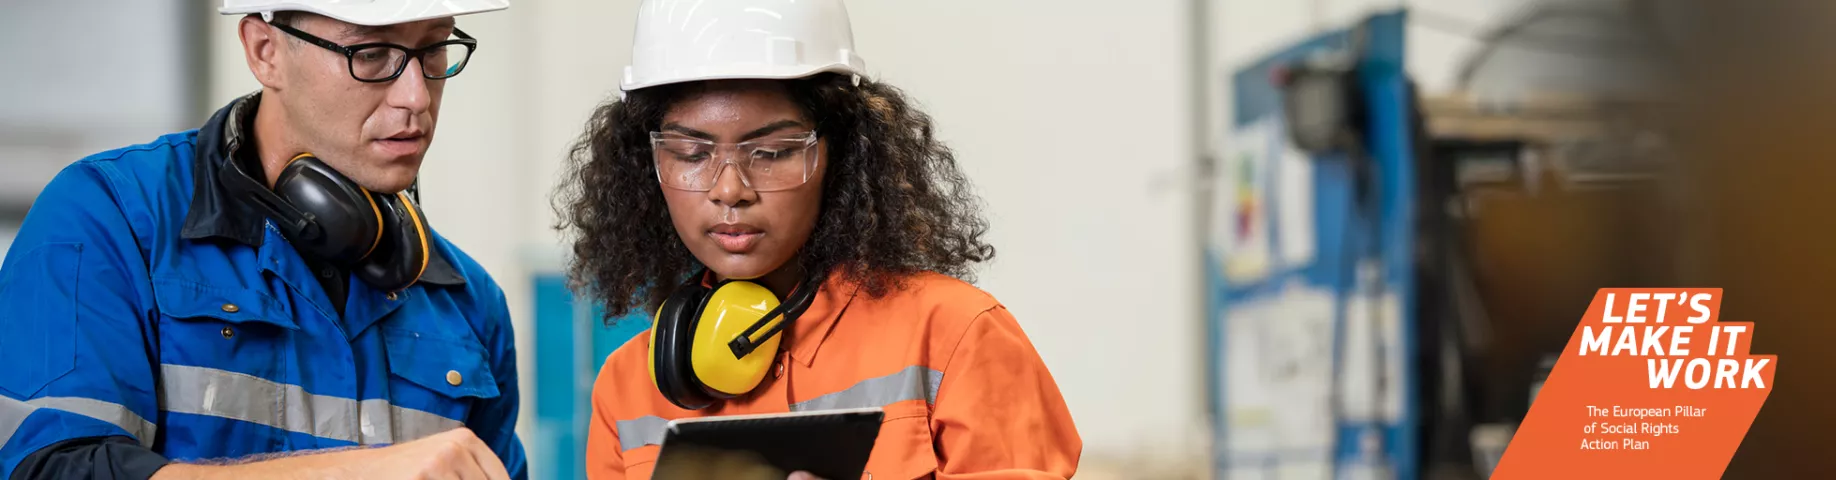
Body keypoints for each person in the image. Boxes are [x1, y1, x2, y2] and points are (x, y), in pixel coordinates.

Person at [0, 1, 526, 479]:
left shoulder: (467, 304)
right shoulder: (111, 219)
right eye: (371, 53)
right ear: (264, 50)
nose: (416, 97)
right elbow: (50, 471)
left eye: (433, 49)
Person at [558, 0, 1082, 479]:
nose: (729, 190)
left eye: (773, 151)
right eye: (691, 154)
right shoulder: (626, 386)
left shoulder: (955, 335)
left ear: (841, 156)